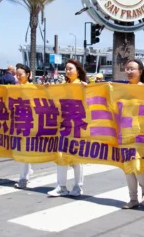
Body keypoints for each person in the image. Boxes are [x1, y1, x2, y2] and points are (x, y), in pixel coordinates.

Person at [47, 59, 86, 197]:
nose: (68, 71)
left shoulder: (83, 85)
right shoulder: (62, 85)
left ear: (78, 70)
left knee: (76, 157)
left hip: (77, 125)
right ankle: (61, 186)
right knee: (61, 155)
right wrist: (48, 89)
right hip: (63, 124)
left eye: (70, 69)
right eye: (66, 69)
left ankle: (78, 187)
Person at [122, 59, 144, 209]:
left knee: (137, 163)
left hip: (140, 132)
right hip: (123, 132)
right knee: (127, 166)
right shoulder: (122, 89)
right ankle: (132, 198)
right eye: (127, 69)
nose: (128, 72)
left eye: (132, 69)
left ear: (140, 71)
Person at [14, 63, 34, 189]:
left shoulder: (32, 88)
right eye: (17, 74)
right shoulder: (15, 87)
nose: (19, 76)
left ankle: (23, 178)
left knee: (24, 151)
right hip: (17, 122)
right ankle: (27, 171)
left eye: (21, 74)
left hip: (28, 122)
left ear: (28, 74)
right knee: (21, 150)